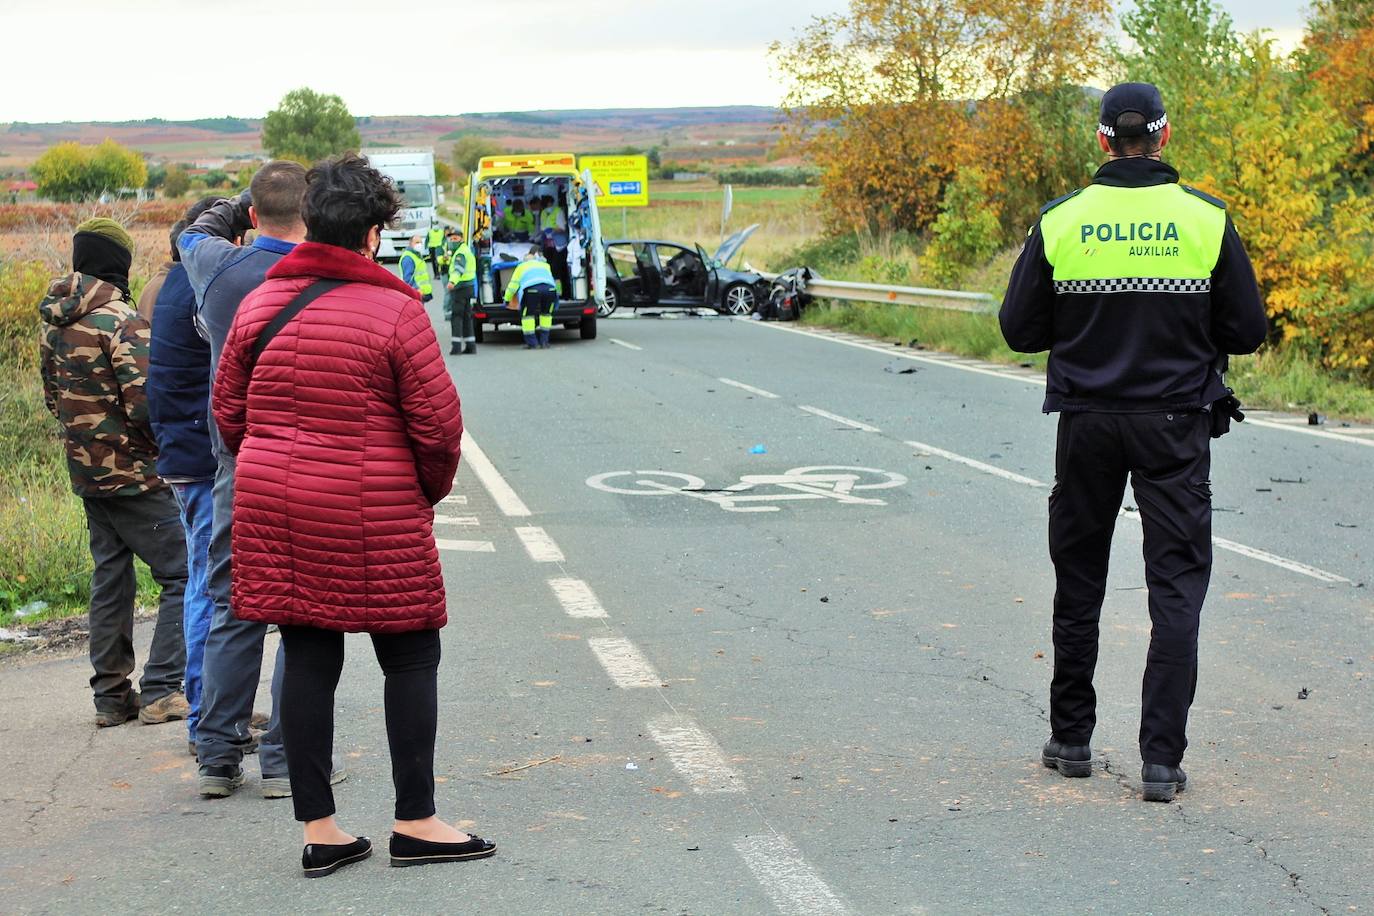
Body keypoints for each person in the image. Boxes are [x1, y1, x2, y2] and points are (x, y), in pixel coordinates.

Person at [212, 152, 494, 878]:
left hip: (277, 505)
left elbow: (229, 416)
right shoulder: (397, 310)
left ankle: (322, 830)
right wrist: (418, 495)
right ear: (372, 234)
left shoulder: (258, 306)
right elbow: (437, 430)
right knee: (409, 652)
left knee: (308, 651)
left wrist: (277, 467)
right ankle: (416, 820)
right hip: (374, 506)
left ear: (311, 222)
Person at [999, 83, 1268, 802]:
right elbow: (1247, 330)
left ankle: (1071, 739)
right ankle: (1160, 761)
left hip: (1086, 421)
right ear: (1163, 135)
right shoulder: (1206, 220)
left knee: (1079, 577)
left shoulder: (1062, 221)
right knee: (1175, 587)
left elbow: (1020, 331)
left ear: (1101, 141)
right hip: (1176, 422)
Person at [179, 161, 341, 799]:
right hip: (312, 466)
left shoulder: (220, 269)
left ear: (253, 214)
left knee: (232, 606)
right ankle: (285, 762)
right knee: (304, 614)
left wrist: (235, 202)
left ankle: (218, 757)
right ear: (313, 211)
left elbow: (191, 231)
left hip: (238, 465)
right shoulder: (332, 275)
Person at [37, 218, 189, 728]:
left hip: (85, 472)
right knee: (183, 573)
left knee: (111, 576)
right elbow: (148, 405)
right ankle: (165, 688)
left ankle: (110, 696)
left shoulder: (54, 320)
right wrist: (160, 457)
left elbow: (53, 400)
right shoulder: (121, 321)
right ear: (118, 263)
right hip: (136, 476)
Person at [147, 198, 223, 755]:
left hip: (181, 453)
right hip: (200, 458)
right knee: (208, 584)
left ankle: (211, 709)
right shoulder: (198, 291)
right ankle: (206, 719)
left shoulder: (169, 287)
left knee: (206, 580)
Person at [504, 245, 558, 349]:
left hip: (532, 290)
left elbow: (512, 286)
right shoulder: (545, 265)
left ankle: (532, 343)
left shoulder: (521, 267)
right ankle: (544, 342)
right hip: (550, 290)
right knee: (546, 314)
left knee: (528, 315)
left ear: (524, 260)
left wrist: (506, 299)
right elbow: (551, 280)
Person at [444, 229, 477, 355]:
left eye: (455, 239)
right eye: (451, 239)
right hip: (469, 287)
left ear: (461, 239)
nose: (453, 241)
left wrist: (452, 282)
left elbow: (458, 269)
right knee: (467, 317)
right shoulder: (466, 250)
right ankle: (470, 345)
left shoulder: (460, 253)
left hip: (460, 288)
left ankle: (456, 347)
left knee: (456, 317)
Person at [399, 234, 433, 302]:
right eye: (417, 242)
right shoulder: (408, 258)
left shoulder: (417, 255)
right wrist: (416, 290)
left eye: (420, 242)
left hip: (421, 293)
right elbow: (408, 278)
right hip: (416, 294)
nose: (419, 244)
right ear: (411, 243)